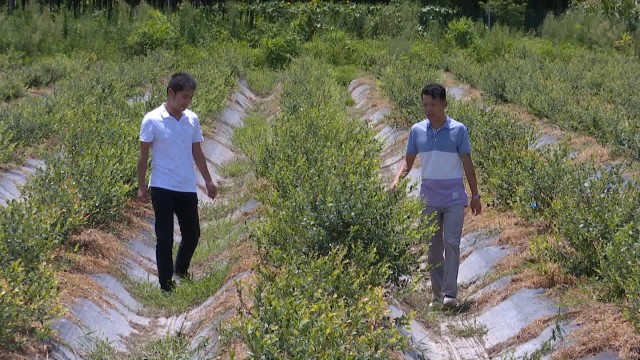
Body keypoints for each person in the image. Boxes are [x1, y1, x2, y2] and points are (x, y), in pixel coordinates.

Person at [391, 83, 481, 307]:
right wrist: (396, 181)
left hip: (453, 197)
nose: (428, 109)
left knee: (451, 243)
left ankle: (450, 294)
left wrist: (475, 195)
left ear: (444, 104)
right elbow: (408, 160)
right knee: (433, 249)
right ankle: (437, 294)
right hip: (429, 197)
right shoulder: (417, 131)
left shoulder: (458, 130)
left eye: (432, 104)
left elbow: (468, 164)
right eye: (425, 104)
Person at [136, 72, 218, 292]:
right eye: (184, 96)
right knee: (165, 237)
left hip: (186, 186)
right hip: (162, 185)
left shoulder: (192, 119)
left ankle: (180, 270)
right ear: (170, 93)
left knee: (192, 234)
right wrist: (141, 186)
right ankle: (166, 284)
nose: (187, 102)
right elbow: (143, 155)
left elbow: (197, 152)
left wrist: (209, 181)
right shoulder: (152, 119)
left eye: (190, 97)